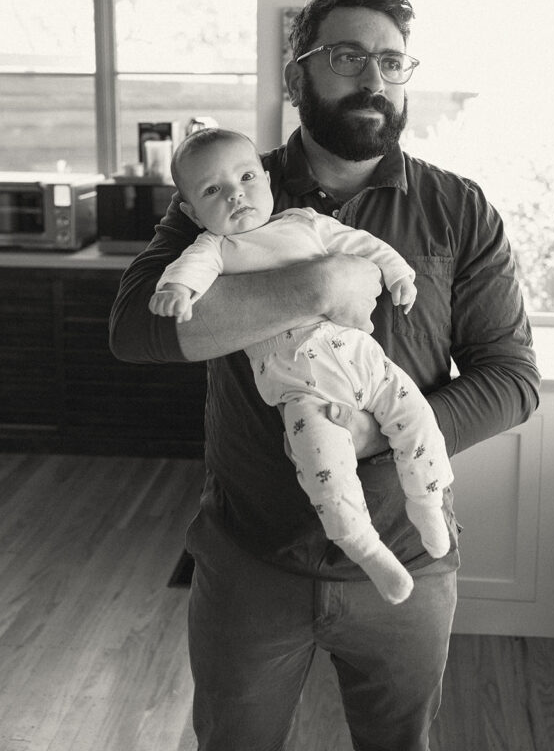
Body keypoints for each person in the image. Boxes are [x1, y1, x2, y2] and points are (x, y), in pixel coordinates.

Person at [109, 0, 541, 751]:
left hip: (409, 558)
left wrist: (378, 434)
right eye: (346, 56)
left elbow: (511, 378)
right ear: (295, 73)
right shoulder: (225, 189)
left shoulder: (458, 210)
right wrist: (313, 284)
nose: (372, 78)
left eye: (391, 60)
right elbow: (133, 330)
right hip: (250, 560)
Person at [149, 127, 454, 606]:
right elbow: (184, 274)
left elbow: (366, 245)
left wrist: (399, 274)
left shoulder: (305, 222)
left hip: (365, 363)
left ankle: (427, 502)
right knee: (323, 469)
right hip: (300, 390)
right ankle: (364, 545)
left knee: (419, 421)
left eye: (246, 177)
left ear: (267, 180)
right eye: (212, 190)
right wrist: (175, 292)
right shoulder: (215, 250)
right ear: (191, 212)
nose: (235, 195)